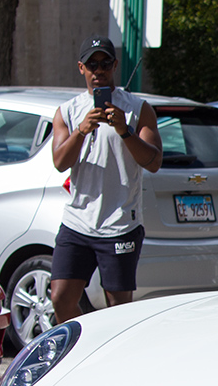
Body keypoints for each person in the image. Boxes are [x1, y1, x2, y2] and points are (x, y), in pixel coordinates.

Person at [48, 35, 162, 325]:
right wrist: (82, 130)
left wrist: (125, 130)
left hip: (120, 224)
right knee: (61, 298)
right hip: (78, 222)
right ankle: (83, 347)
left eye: (105, 64)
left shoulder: (137, 109)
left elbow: (154, 162)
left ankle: (116, 363)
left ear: (115, 66)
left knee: (118, 308)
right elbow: (60, 162)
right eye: (92, 64)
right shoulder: (68, 112)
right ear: (81, 68)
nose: (99, 70)